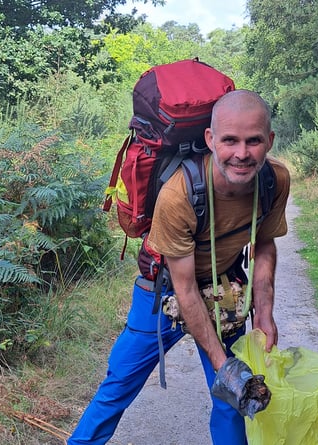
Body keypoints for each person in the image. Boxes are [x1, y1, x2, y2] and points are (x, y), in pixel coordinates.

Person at [68, 89, 290, 445]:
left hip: (223, 291)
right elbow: (185, 290)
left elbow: (264, 243)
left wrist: (264, 313)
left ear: (270, 141)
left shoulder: (274, 180)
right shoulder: (180, 194)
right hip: (165, 291)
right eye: (230, 140)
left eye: (254, 141)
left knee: (234, 400)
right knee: (118, 386)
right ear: (210, 139)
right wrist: (224, 366)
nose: (242, 154)